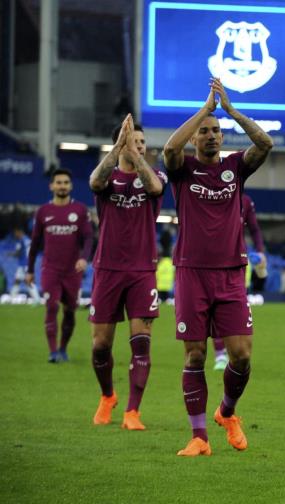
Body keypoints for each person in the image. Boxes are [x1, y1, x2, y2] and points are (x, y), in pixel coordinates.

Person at [163, 78, 273, 456]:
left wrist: (231, 113)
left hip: (230, 274)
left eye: (216, 132)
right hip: (191, 272)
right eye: (205, 132)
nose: (211, 136)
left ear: (223, 138)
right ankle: (199, 437)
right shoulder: (183, 171)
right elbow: (169, 148)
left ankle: (227, 412)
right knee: (195, 355)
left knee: (241, 355)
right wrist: (204, 112)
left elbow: (265, 144)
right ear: (196, 137)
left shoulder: (235, 169)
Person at [87, 114, 166, 429]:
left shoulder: (154, 175)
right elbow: (94, 182)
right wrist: (119, 146)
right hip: (107, 269)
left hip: (141, 270)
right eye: (135, 141)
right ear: (119, 145)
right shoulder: (106, 180)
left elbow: (156, 188)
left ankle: (133, 411)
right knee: (100, 345)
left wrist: (136, 156)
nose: (141, 147)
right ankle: (108, 396)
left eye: (144, 143)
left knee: (141, 342)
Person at [26, 168, 94, 362]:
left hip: (73, 271)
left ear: (70, 186)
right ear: (51, 186)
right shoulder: (43, 212)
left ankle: (63, 348)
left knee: (70, 310)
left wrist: (84, 258)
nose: (62, 186)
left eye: (65, 182)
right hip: (50, 269)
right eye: (59, 182)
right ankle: (53, 351)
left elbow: (89, 237)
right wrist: (30, 269)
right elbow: (35, 242)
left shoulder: (80, 210)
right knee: (52, 306)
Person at [213, 193, 267, 371]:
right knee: (214, 308)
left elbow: (255, 229)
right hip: (211, 262)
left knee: (232, 309)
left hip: (238, 262)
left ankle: (231, 352)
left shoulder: (245, 200)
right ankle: (220, 354)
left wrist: (260, 251)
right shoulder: (211, 194)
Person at [8, 228, 41, 302]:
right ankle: (12, 298)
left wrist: (10, 254)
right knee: (17, 281)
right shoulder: (27, 240)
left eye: (16, 233)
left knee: (28, 281)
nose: (15, 235)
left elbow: (18, 252)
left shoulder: (21, 240)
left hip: (24, 264)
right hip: (26, 263)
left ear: (19, 232)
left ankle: (37, 299)